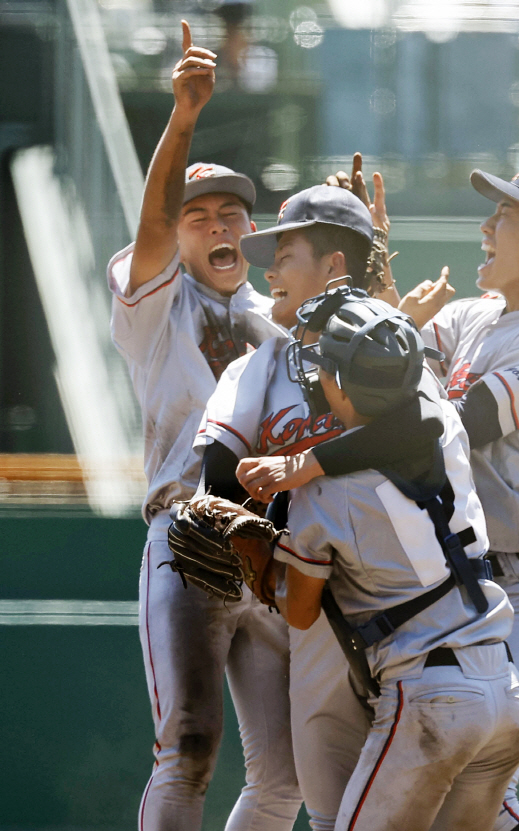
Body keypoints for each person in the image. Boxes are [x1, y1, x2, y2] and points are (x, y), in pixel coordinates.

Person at [237, 158, 519, 831]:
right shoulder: (476, 315)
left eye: (506, 217)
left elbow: (437, 425)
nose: (487, 226)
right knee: (461, 795)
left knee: (485, 782)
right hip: (470, 585)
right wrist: (370, 263)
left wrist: (305, 464)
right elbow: (384, 359)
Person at [193, 182, 453, 831]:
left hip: (414, 618)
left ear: (334, 265)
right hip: (314, 613)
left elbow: (428, 443)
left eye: (284, 253)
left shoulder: (401, 361)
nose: (268, 269)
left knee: (454, 808)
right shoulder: (259, 367)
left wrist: (304, 466)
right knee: (325, 802)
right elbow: (220, 482)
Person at [107, 21, 300, 831]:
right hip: (188, 531)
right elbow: (149, 227)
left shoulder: (280, 320)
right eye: (200, 216)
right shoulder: (154, 299)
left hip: (272, 544)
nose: (219, 225)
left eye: (231, 214)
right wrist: (183, 116)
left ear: (250, 231)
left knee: (285, 773)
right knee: (187, 744)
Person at [266, 291, 519, 831]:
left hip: (431, 697)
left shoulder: (322, 496)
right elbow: (400, 419)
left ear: (338, 383)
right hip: (504, 688)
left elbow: (299, 613)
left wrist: (256, 559)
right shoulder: (443, 426)